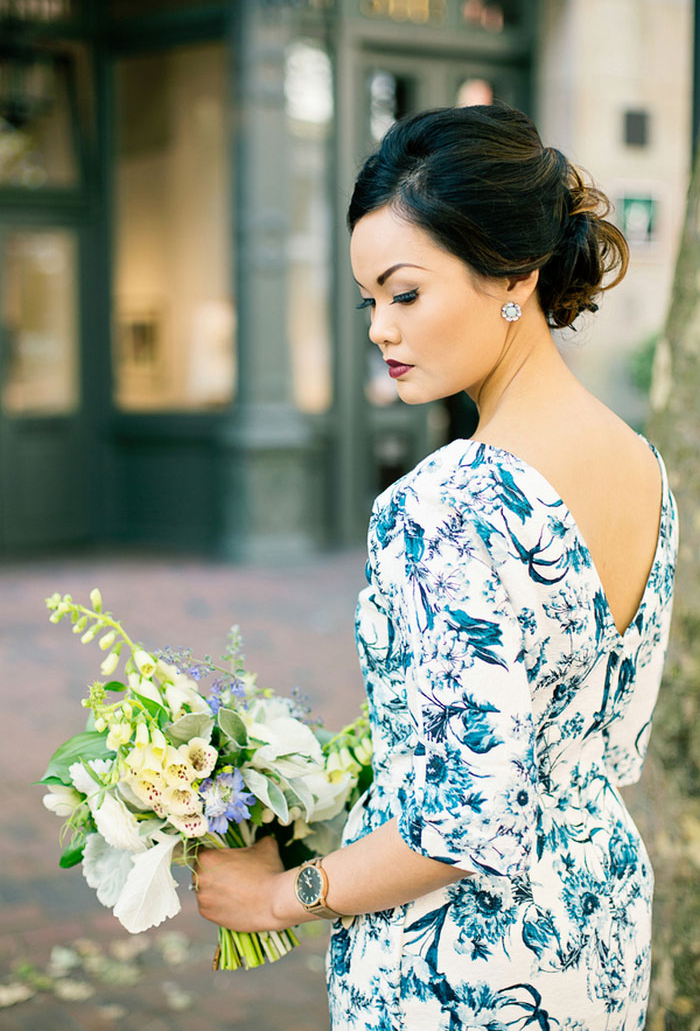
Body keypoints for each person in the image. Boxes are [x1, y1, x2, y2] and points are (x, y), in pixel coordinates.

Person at [194, 104, 678, 1030]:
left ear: (514, 274)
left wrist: (275, 896)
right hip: (595, 919)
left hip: (461, 965)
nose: (380, 327)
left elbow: (458, 828)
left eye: (404, 292)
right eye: (368, 299)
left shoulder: (448, 501)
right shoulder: (641, 466)